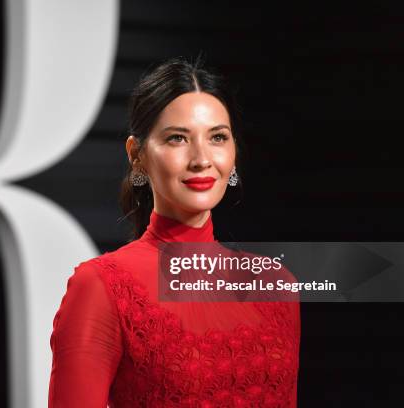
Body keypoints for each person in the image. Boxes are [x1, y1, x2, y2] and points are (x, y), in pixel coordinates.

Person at [48, 56, 301, 407]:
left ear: (234, 154)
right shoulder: (101, 286)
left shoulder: (275, 285)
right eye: (178, 138)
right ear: (137, 155)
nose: (201, 158)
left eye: (217, 137)